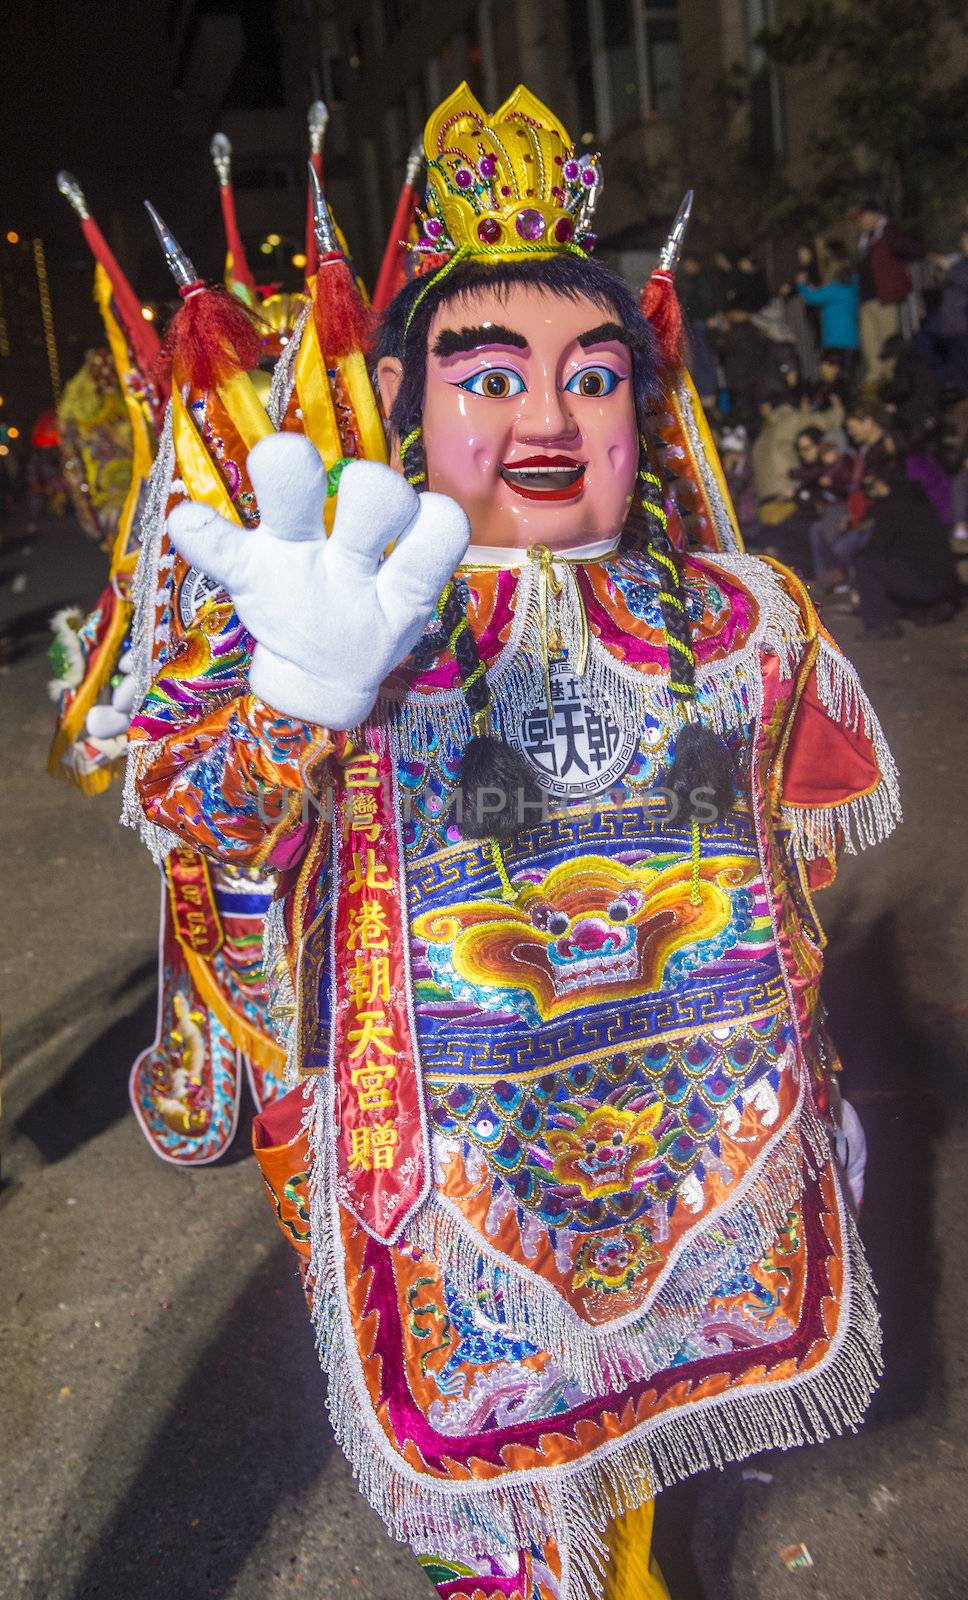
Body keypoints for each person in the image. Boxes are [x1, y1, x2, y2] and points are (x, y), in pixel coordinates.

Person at [131, 84, 897, 1600]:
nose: (549, 419)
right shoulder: (343, 611)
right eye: (494, 377)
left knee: (628, 1501)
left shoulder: (748, 619)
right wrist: (300, 695)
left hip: (698, 1179)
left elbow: (789, 869)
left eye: (594, 378)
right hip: (448, 1190)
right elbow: (201, 825)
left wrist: (816, 1081)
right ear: (411, 401)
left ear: (641, 410)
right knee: (514, 1535)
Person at [853, 465, 959, 637]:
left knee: (865, 565)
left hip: (924, 582)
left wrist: (855, 588)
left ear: (882, 485)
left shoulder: (892, 508)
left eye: (872, 487)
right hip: (945, 583)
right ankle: (930, 607)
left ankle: (881, 624)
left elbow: (874, 549)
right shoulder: (921, 501)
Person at [855, 200, 923, 385]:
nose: (860, 221)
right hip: (866, 300)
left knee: (888, 344)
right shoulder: (864, 241)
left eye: (863, 216)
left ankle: (894, 380)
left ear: (875, 215)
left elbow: (913, 249)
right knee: (870, 344)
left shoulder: (888, 233)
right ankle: (877, 382)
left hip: (885, 297)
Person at [796, 241, 860, 384]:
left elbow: (813, 297)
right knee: (851, 375)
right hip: (852, 339)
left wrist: (802, 285)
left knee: (836, 378)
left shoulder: (835, 288)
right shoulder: (854, 284)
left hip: (835, 340)